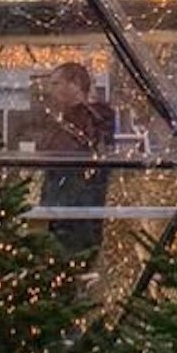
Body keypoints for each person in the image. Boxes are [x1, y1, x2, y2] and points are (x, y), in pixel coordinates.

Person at [31, 61, 114, 259]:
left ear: (75, 84)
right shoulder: (60, 118)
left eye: (56, 83)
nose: (52, 90)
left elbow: (83, 149)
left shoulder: (94, 117)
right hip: (59, 201)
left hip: (79, 204)